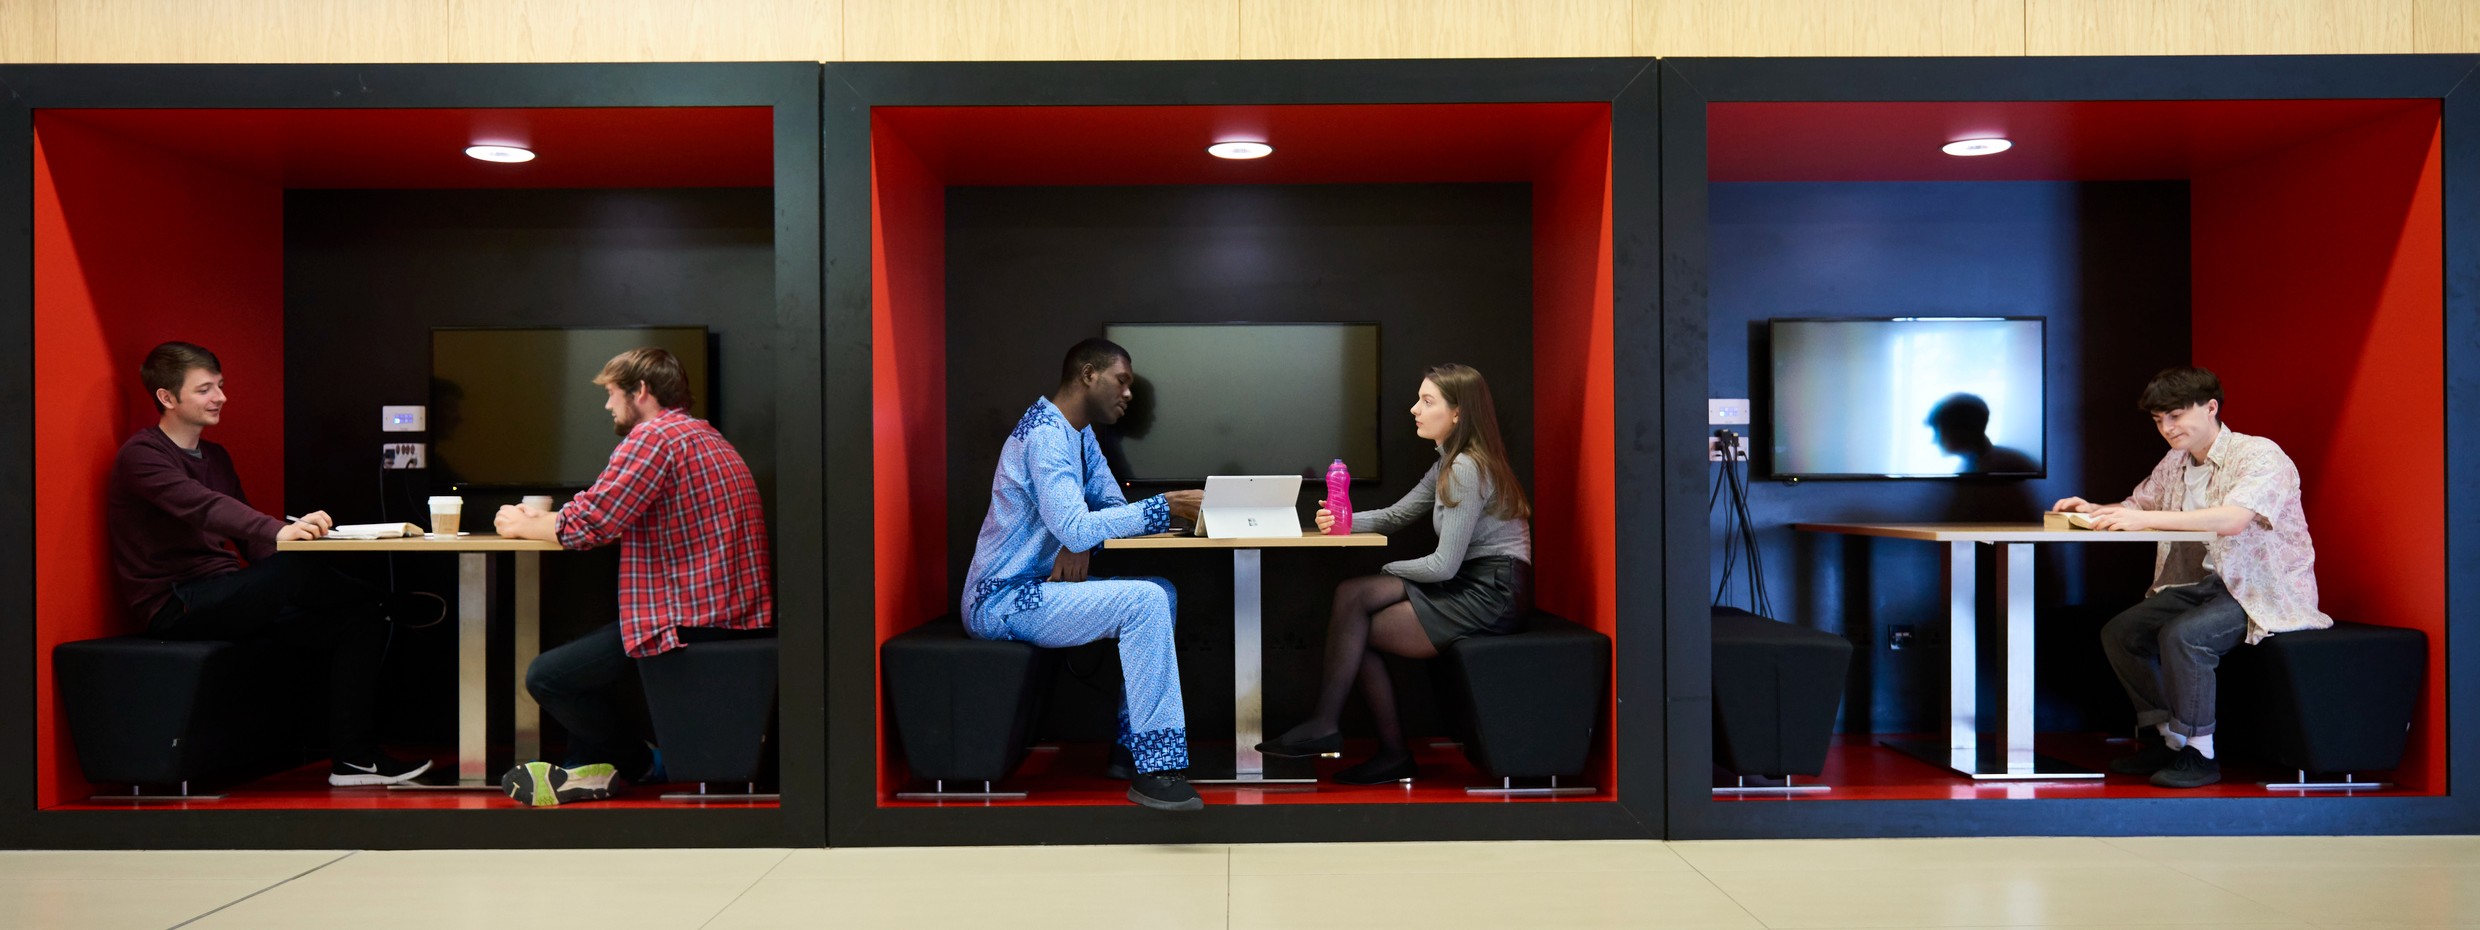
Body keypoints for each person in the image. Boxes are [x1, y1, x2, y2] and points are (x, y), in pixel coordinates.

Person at [107, 341, 437, 787]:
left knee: (359, 618)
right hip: (176, 603)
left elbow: (252, 542)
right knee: (295, 572)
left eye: (220, 385)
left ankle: (354, 761)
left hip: (225, 592)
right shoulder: (142, 455)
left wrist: (297, 544)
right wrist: (280, 535)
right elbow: (203, 507)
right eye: (205, 389)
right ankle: (393, 601)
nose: (220, 397)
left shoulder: (216, 457)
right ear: (167, 397)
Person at [492, 347, 774, 807]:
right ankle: (585, 769)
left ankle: (639, 763)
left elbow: (590, 524)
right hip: (728, 612)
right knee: (589, 653)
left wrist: (518, 524)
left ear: (640, 390)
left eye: (611, 393)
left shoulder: (653, 438)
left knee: (548, 677)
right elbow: (609, 509)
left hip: (688, 618)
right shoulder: (702, 434)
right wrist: (547, 520)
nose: (607, 405)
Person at [2052, 366, 2330, 788]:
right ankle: (2171, 739)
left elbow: (2233, 520)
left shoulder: (2259, 455)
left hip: (2260, 589)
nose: (2167, 428)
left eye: (2176, 415)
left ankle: (2200, 754)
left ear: (2211, 407)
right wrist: (2094, 510)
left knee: (2184, 636)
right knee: (2122, 633)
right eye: (2158, 420)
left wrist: (2141, 520)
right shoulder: (2176, 462)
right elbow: (2140, 507)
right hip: (2205, 585)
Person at [1257, 363, 1533, 785]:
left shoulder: (1465, 468)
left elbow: (1443, 565)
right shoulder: (1447, 465)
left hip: (1493, 592)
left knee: (1357, 603)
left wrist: (1388, 572)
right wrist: (1342, 522)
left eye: (1427, 401)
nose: (1414, 409)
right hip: (1473, 582)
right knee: (1355, 613)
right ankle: (1367, 743)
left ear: (1458, 413)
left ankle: (1339, 730)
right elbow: (1394, 515)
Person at [961, 337, 1205, 811]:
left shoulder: (1079, 433)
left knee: (1160, 590)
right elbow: (1076, 524)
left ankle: (1129, 748)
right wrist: (1166, 505)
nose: (1129, 394)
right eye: (1122, 381)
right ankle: (1157, 771)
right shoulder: (1045, 435)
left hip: (1039, 588)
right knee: (1144, 602)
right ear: (1088, 375)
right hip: (1001, 598)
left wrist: (1078, 539)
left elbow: (1108, 505)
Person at [1927, 393, 2040, 474]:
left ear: (1963, 431)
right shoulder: (1978, 464)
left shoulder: (1997, 469)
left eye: (1939, 432)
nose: (1934, 441)